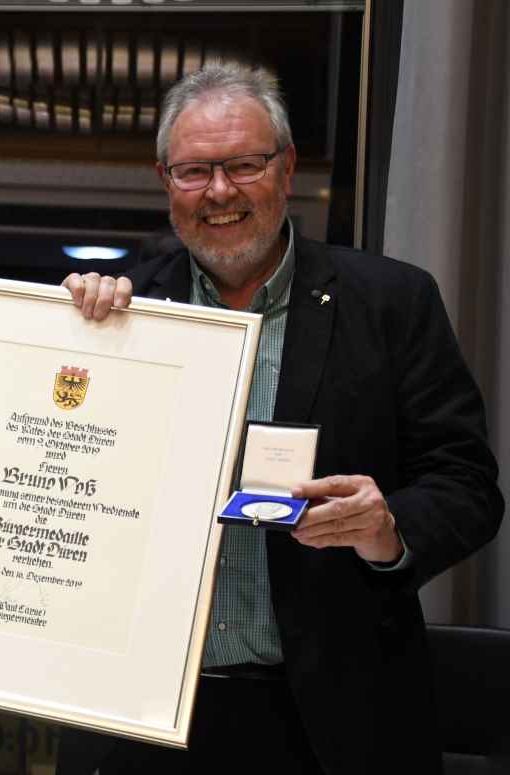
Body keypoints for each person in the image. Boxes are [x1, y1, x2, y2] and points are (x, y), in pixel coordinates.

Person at [58, 63, 503, 774]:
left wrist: (388, 525)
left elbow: (469, 486)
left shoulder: (391, 302)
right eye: (195, 171)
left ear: (288, 167)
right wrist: (63, 339)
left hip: (336, 724)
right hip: (146, 723)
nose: (221, 191)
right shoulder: (119, 314)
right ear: (165, 180)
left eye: (244, 164)